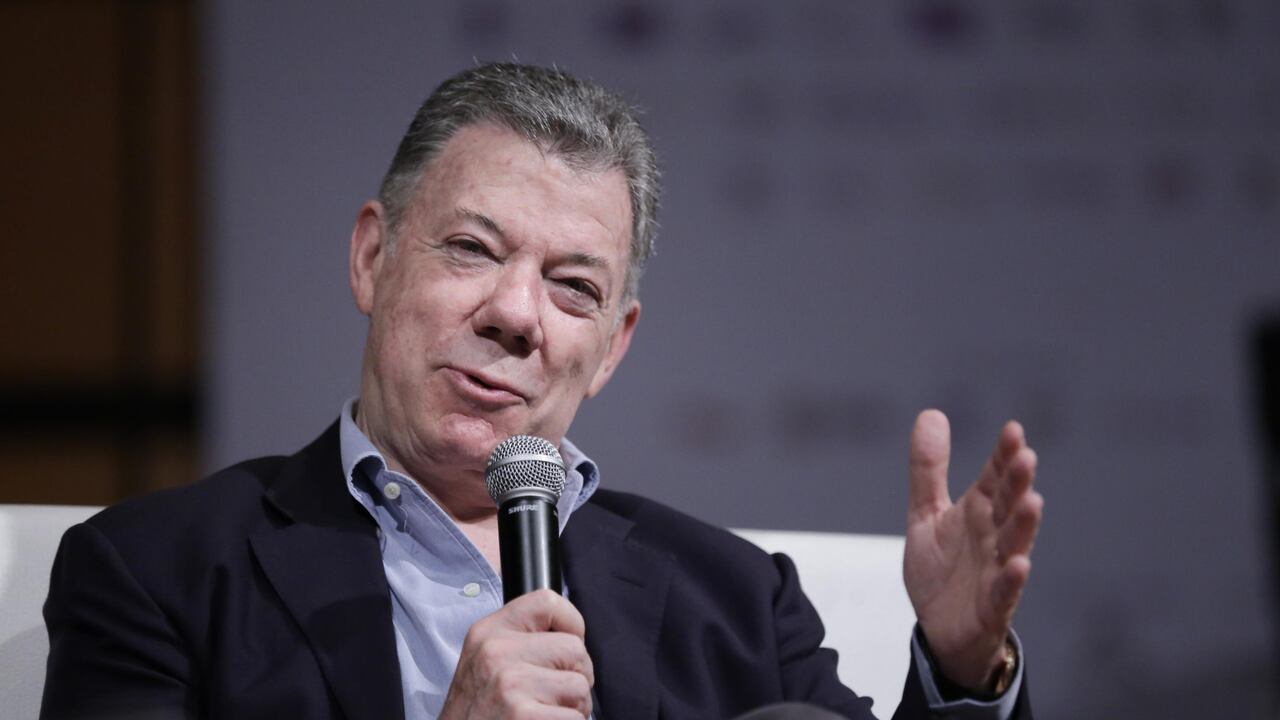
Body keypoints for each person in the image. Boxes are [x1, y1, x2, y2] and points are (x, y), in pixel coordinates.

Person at [41, 63, 1043, 720]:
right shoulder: (158, 573)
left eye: (573, 287)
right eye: (473, 249)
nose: (517, 315)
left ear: (611, 347)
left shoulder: (739, 598)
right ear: (372, 258)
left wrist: (961, 676)